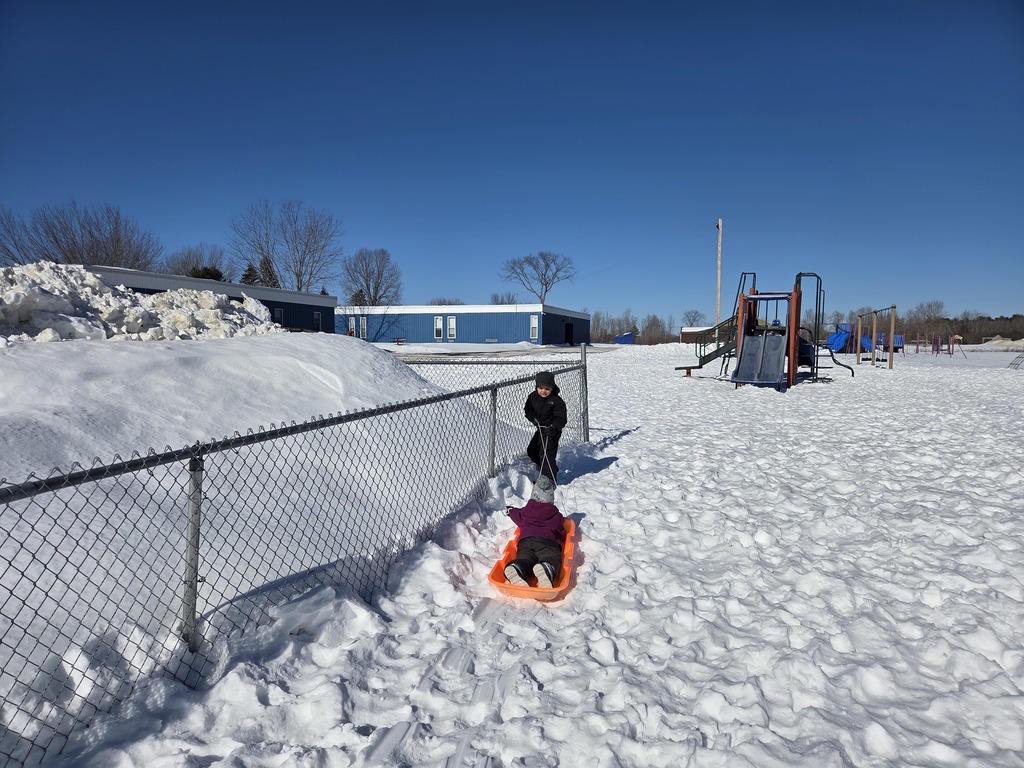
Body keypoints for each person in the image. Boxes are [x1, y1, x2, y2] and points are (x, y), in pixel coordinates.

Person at [504, 476, 566, 589]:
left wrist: (510, 511)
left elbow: (516, 514)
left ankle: (517, 567)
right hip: (546, 541)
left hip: (525, 541)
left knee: (526, 558)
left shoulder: (526, 511)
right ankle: (547, 567)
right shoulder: (555, 514)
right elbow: (561, 530)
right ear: (551, 498)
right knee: (550, 555)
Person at [524, 370, 567, 484]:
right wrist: (533, 418)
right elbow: (528, 410)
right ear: (536, 387)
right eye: (541, 388)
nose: (543, 391)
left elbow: (561, 419)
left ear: (552, 388)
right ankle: (549, 468)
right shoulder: (533, 397)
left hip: (552, 432)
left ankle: (549, 481)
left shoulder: (557, 401)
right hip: (541, 429)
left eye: (547, 389)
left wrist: (552, 427)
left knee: (547, 454)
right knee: (532, 451)